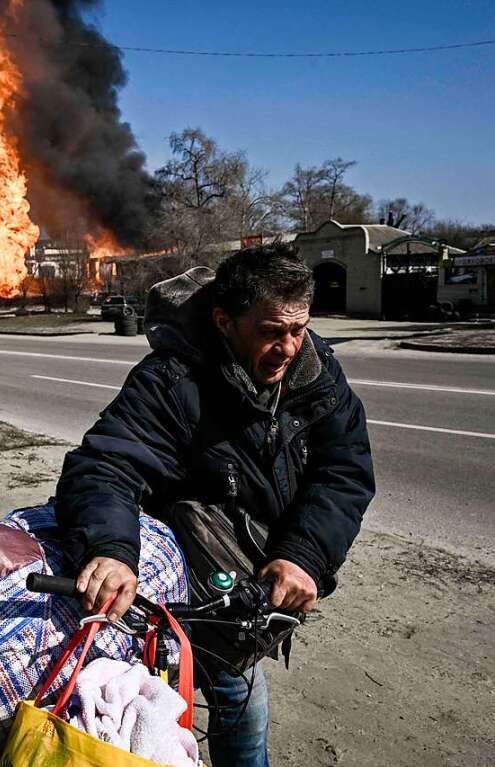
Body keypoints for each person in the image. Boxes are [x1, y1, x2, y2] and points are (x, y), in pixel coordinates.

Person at [54, 244, 375, 767]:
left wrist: (304, 556)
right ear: (225, 321)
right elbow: (107, 464)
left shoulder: (317, 374)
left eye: (300, 329)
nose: (290, 347)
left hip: (262, 567)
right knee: (238, 697)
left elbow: (345, 473)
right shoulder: (171, 379)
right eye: (272, 331)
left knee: (230, 696)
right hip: (186, 575)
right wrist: (111, 550)